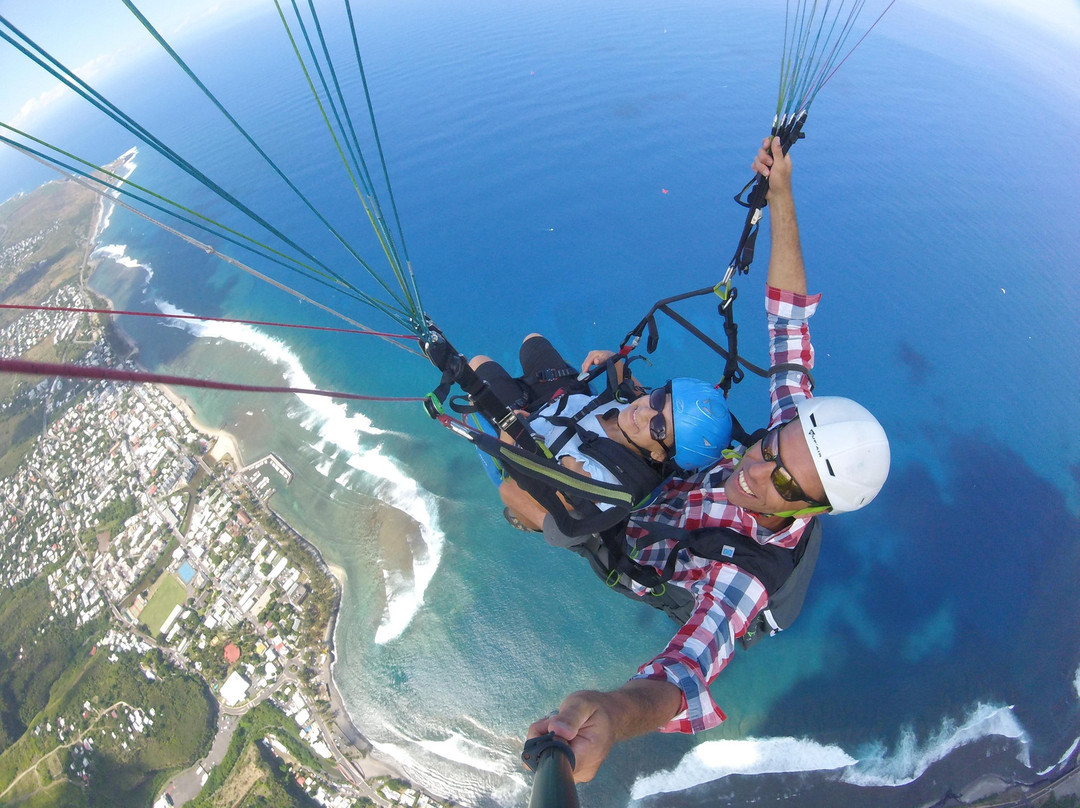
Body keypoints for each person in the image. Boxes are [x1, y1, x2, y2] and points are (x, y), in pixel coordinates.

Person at [526, 136, 891, 782]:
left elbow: (686, 671)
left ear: (811, 508)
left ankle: (531, 455)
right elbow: (787, 323)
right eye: (768, 447)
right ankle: (561, 408)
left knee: (522, 492)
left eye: (780, 482)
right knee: (546, 357)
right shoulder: (789, 438)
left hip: (628, 535)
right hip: (668, 485)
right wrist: (781, 194)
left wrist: (613, 712)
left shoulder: (746, 579)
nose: (754, 470)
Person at [468, 336, 734, 532]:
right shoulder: (636, 414)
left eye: (658, 427)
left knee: (478, 363)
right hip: (563, 404)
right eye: (657, 399)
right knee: (532, 341)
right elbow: (633, 390)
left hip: (525, 433)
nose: (641, 412)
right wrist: (611, 361)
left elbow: (514, 490)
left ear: (658, 454)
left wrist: (508, 435)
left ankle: (522, 521)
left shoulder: (596, 477)